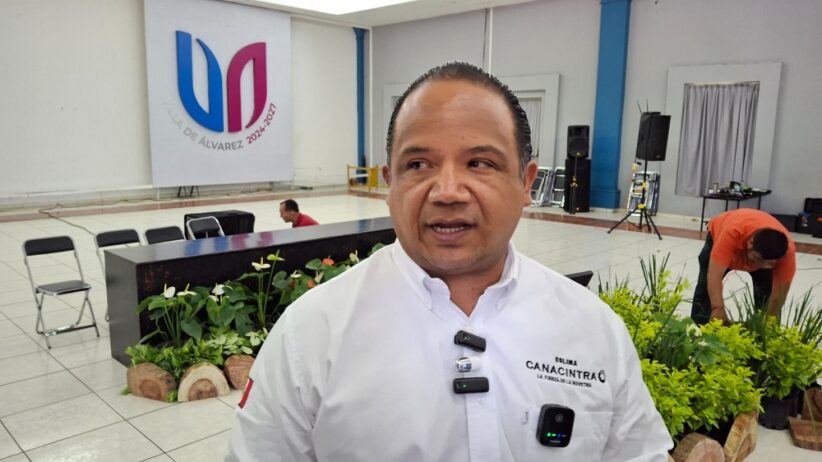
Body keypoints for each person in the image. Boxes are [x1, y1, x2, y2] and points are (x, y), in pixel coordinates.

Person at [227, 62, 671, 461]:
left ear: (526, 182)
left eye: (479, 162)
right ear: (391, 183)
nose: (447, 192)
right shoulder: (311, 333)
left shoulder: (593, 328)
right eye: (418, 164)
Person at [691, 208, 796, 325]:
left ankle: (759, 327)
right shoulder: (731, 233)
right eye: (759, 260)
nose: (763, 266)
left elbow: (778, 296)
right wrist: (718, 309)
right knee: (705, 290)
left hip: (758, 243)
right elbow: (714, 276)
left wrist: (768, 323)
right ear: (750, 243)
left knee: (766, 295)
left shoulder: (786, 252)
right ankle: (699, 327)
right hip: (725, 232)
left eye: (770, 264)